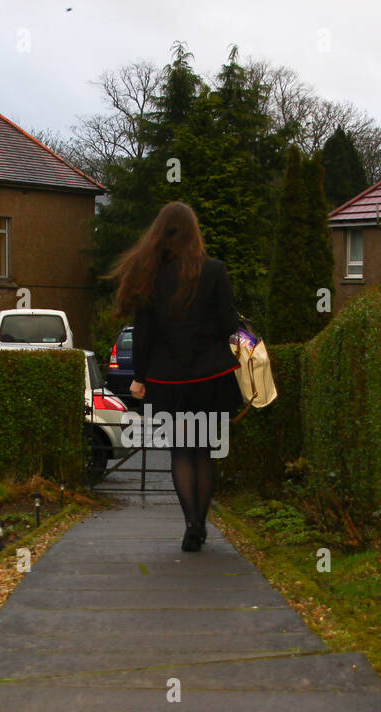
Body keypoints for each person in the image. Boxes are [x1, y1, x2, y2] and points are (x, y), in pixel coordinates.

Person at [104, 201, 241, 552]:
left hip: (169, 380)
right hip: (211, 377)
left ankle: (190, 525)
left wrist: (139, 376)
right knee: (204, 451)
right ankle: (200, 523)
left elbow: (144, 332)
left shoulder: (150, 275)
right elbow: (229, 325)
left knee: (182, 450)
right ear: (194, 233)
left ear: (160, 234)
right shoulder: (214, 271)